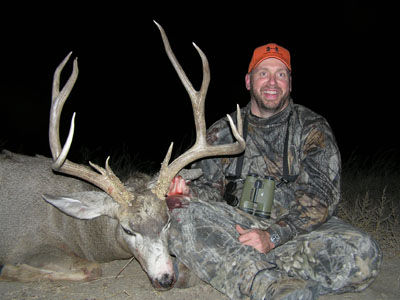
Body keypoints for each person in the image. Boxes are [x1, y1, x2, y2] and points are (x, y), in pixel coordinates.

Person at [167, 43, 382, 300]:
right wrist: (188, 191)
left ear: (290, 83)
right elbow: (211, 190)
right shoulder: (222, 131)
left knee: (364, 253)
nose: (272, 82)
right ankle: (266, 286)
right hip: (234, 227)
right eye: (263, 73)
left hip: (294, 233)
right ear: (248, 81)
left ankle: (217, 264)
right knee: (178, 210)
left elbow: (319, 201)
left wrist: (272, 236)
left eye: (281, 74)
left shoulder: (312, 128)